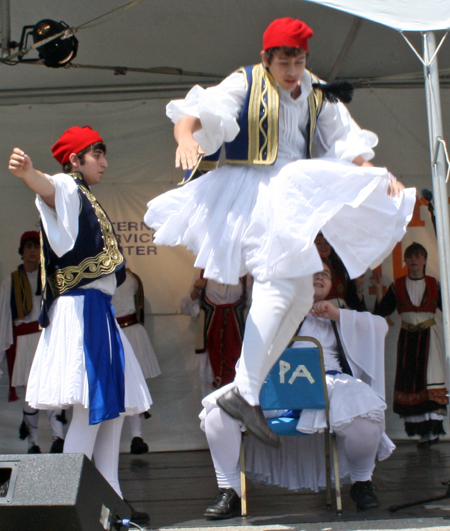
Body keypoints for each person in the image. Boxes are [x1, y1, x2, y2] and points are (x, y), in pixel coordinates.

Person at [144, 17, 415, 447]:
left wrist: (374, 173)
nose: (292, 70)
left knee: (302, 292)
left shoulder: (315, 90)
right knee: (274, 280)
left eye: (299, 61)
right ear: (266, 58)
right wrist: (184, 137)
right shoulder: (246, 81)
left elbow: (343, 139)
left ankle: (243, 391)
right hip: (252, 189)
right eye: (284, 61)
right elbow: (198, 111)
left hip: (293, 193)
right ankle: (245, 390)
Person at [8, 126, 152, 522]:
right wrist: (28, 175)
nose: (104, 163)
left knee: (111, 411)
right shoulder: (69, 187)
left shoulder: (85, 195)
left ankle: (113, 503)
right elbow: (49, 188)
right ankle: (58, 505)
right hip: (83, 313)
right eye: (96, 155)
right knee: (94, 409)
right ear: (74, 159)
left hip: (95, 311)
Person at [200, 259, 393, 517]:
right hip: (275, 384)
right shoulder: (273, 309)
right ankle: (229, 490)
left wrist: (335, 314)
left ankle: (362, 483)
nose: (318, 276)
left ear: (332, 283)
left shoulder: (340, 311)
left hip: (327, 383)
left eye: (324, 273)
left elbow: (380, 327)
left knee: (365, 416)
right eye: (310, 271)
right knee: (218, 413)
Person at [372, 242, 448, 447]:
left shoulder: (435, 284)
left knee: (431, 379)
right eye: (410, 256)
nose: (413, 260)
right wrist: (379, 291)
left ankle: (432, 431)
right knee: (411, 381)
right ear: (405, 261)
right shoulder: (398, 286)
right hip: (408, 339)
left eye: (417, 256)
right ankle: (424, 433)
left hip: (430, 336)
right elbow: (381, 313)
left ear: (424, 260)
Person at [0, 231, 66, 453]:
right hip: (25, 341)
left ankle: (59, 438)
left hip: (47, 338)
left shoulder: (50, 278)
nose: (32, 251)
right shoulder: (10, 280)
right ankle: (33, 443)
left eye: (36, 247)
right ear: (22, 251)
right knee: (31, 392)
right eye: (28, 247)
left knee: (53, 388)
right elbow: (4, 318)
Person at [111, 267, 161, 454]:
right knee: (115, 387)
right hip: (112, 332)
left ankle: (137, 436)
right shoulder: (99, 275)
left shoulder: (131, 276)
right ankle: (116, 438)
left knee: (134, 385)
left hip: (131, 330)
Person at [180, 270, 252, 397]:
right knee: (210, 380)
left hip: (237, 338)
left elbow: (253, 304)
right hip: (211, 337)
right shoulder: (203, 272)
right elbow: (188, 309)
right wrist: (196, 291)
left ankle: (238, 414)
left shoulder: (244, 274)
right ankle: (212, 414)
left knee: (241, 380)